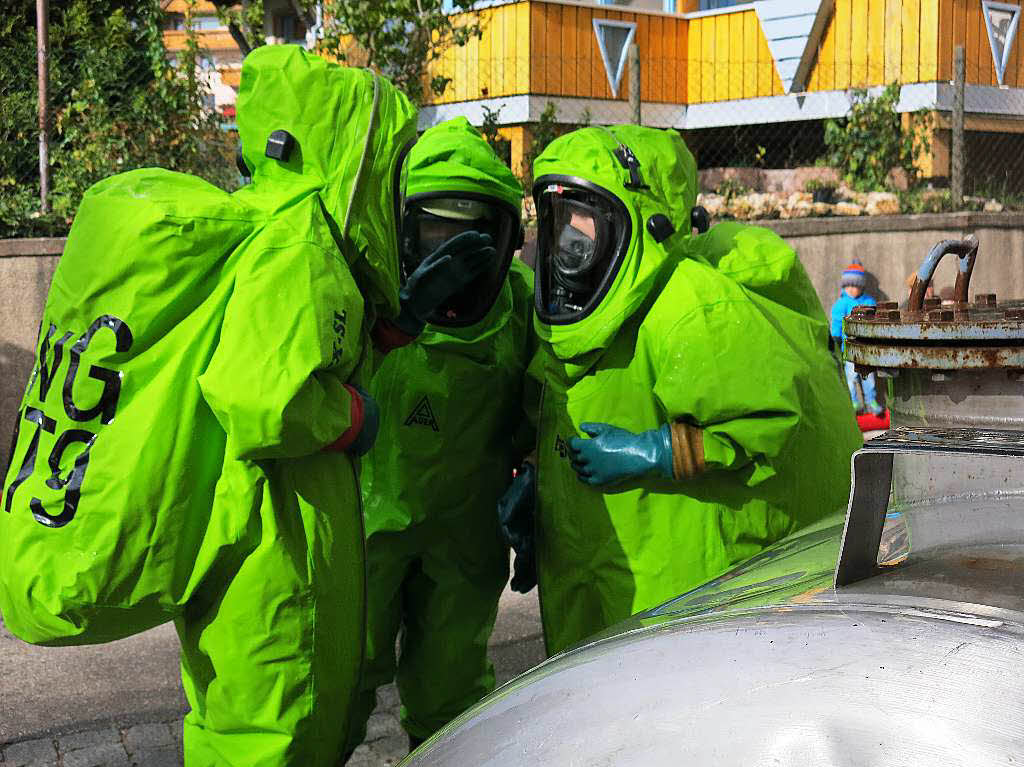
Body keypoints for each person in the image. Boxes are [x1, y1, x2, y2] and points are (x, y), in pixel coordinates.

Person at [1, 45, 492, 767]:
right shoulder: (302, 246)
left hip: (250, 554)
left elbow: (291, 352)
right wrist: (353, 419)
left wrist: (385, 335)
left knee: (235, 728)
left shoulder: (267, 229)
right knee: (272, 736)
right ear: (354, 154)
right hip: (274, 563)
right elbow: (263, 398)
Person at [501, 125, 861, 656]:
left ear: (638, 219)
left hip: (672, 574)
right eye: (559, 218)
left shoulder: (687, 307)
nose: (569, 238)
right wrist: (537, 479)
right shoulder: (563, 320)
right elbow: (556, 411)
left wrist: (659, 451)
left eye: (584, 216)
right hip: (594, 567)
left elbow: (769, 417)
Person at [346, 117, 535, 756]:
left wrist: (540, 470)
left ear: (509, 239)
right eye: (433, 234)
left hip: (466, 535)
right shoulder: (364, 295)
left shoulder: (523, 309)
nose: (452, 261)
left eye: (474, 238)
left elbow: (551, 400)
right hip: (369, 528)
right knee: (341, 680)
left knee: (452, 694)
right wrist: (391, 322)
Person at [830, 261, 884, 416]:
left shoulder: (869, 302)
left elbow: (876, 321)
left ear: (862, 286)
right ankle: (853, 401)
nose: (852, 289)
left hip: (867, 349)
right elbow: (837, 323)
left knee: (869, 377)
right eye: (849, 286)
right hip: (848, 349)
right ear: (844, 286)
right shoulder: (841, 304)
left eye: (856, 285)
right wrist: (836, 339)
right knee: (851, 377)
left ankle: (871, 401)